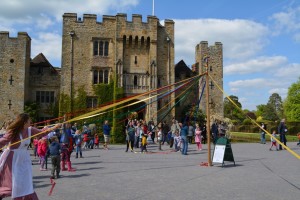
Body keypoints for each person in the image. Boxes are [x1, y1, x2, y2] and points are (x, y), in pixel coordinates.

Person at [0, 113, 61, 199]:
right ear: (24, 122)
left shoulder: (30, 130)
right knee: (11, 182)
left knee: (25, 181)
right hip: (12, 159)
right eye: (29, 120)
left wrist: (54, 127)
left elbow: (42, 133)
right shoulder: (13, 131)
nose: (31, 121)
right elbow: (3, 141)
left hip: (24, 158)